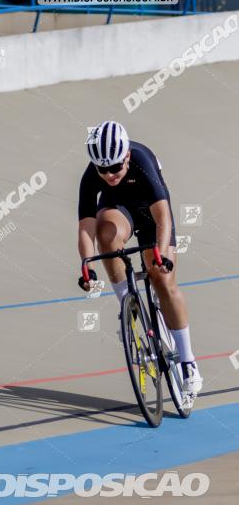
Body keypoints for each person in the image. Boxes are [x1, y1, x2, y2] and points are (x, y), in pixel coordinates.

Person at [77, 120, 202, 404]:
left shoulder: (143, 161)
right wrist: (87, 266)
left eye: (115, 168)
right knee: (105, 235)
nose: (109, 175)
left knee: (163, 282)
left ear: (127, 158)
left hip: (150, 213)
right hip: (118, 211)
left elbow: (164, 218)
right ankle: (126, 306)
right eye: (102, 169)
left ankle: (188, 362)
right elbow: (85, 229)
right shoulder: (92, 175)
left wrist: (161, 257)